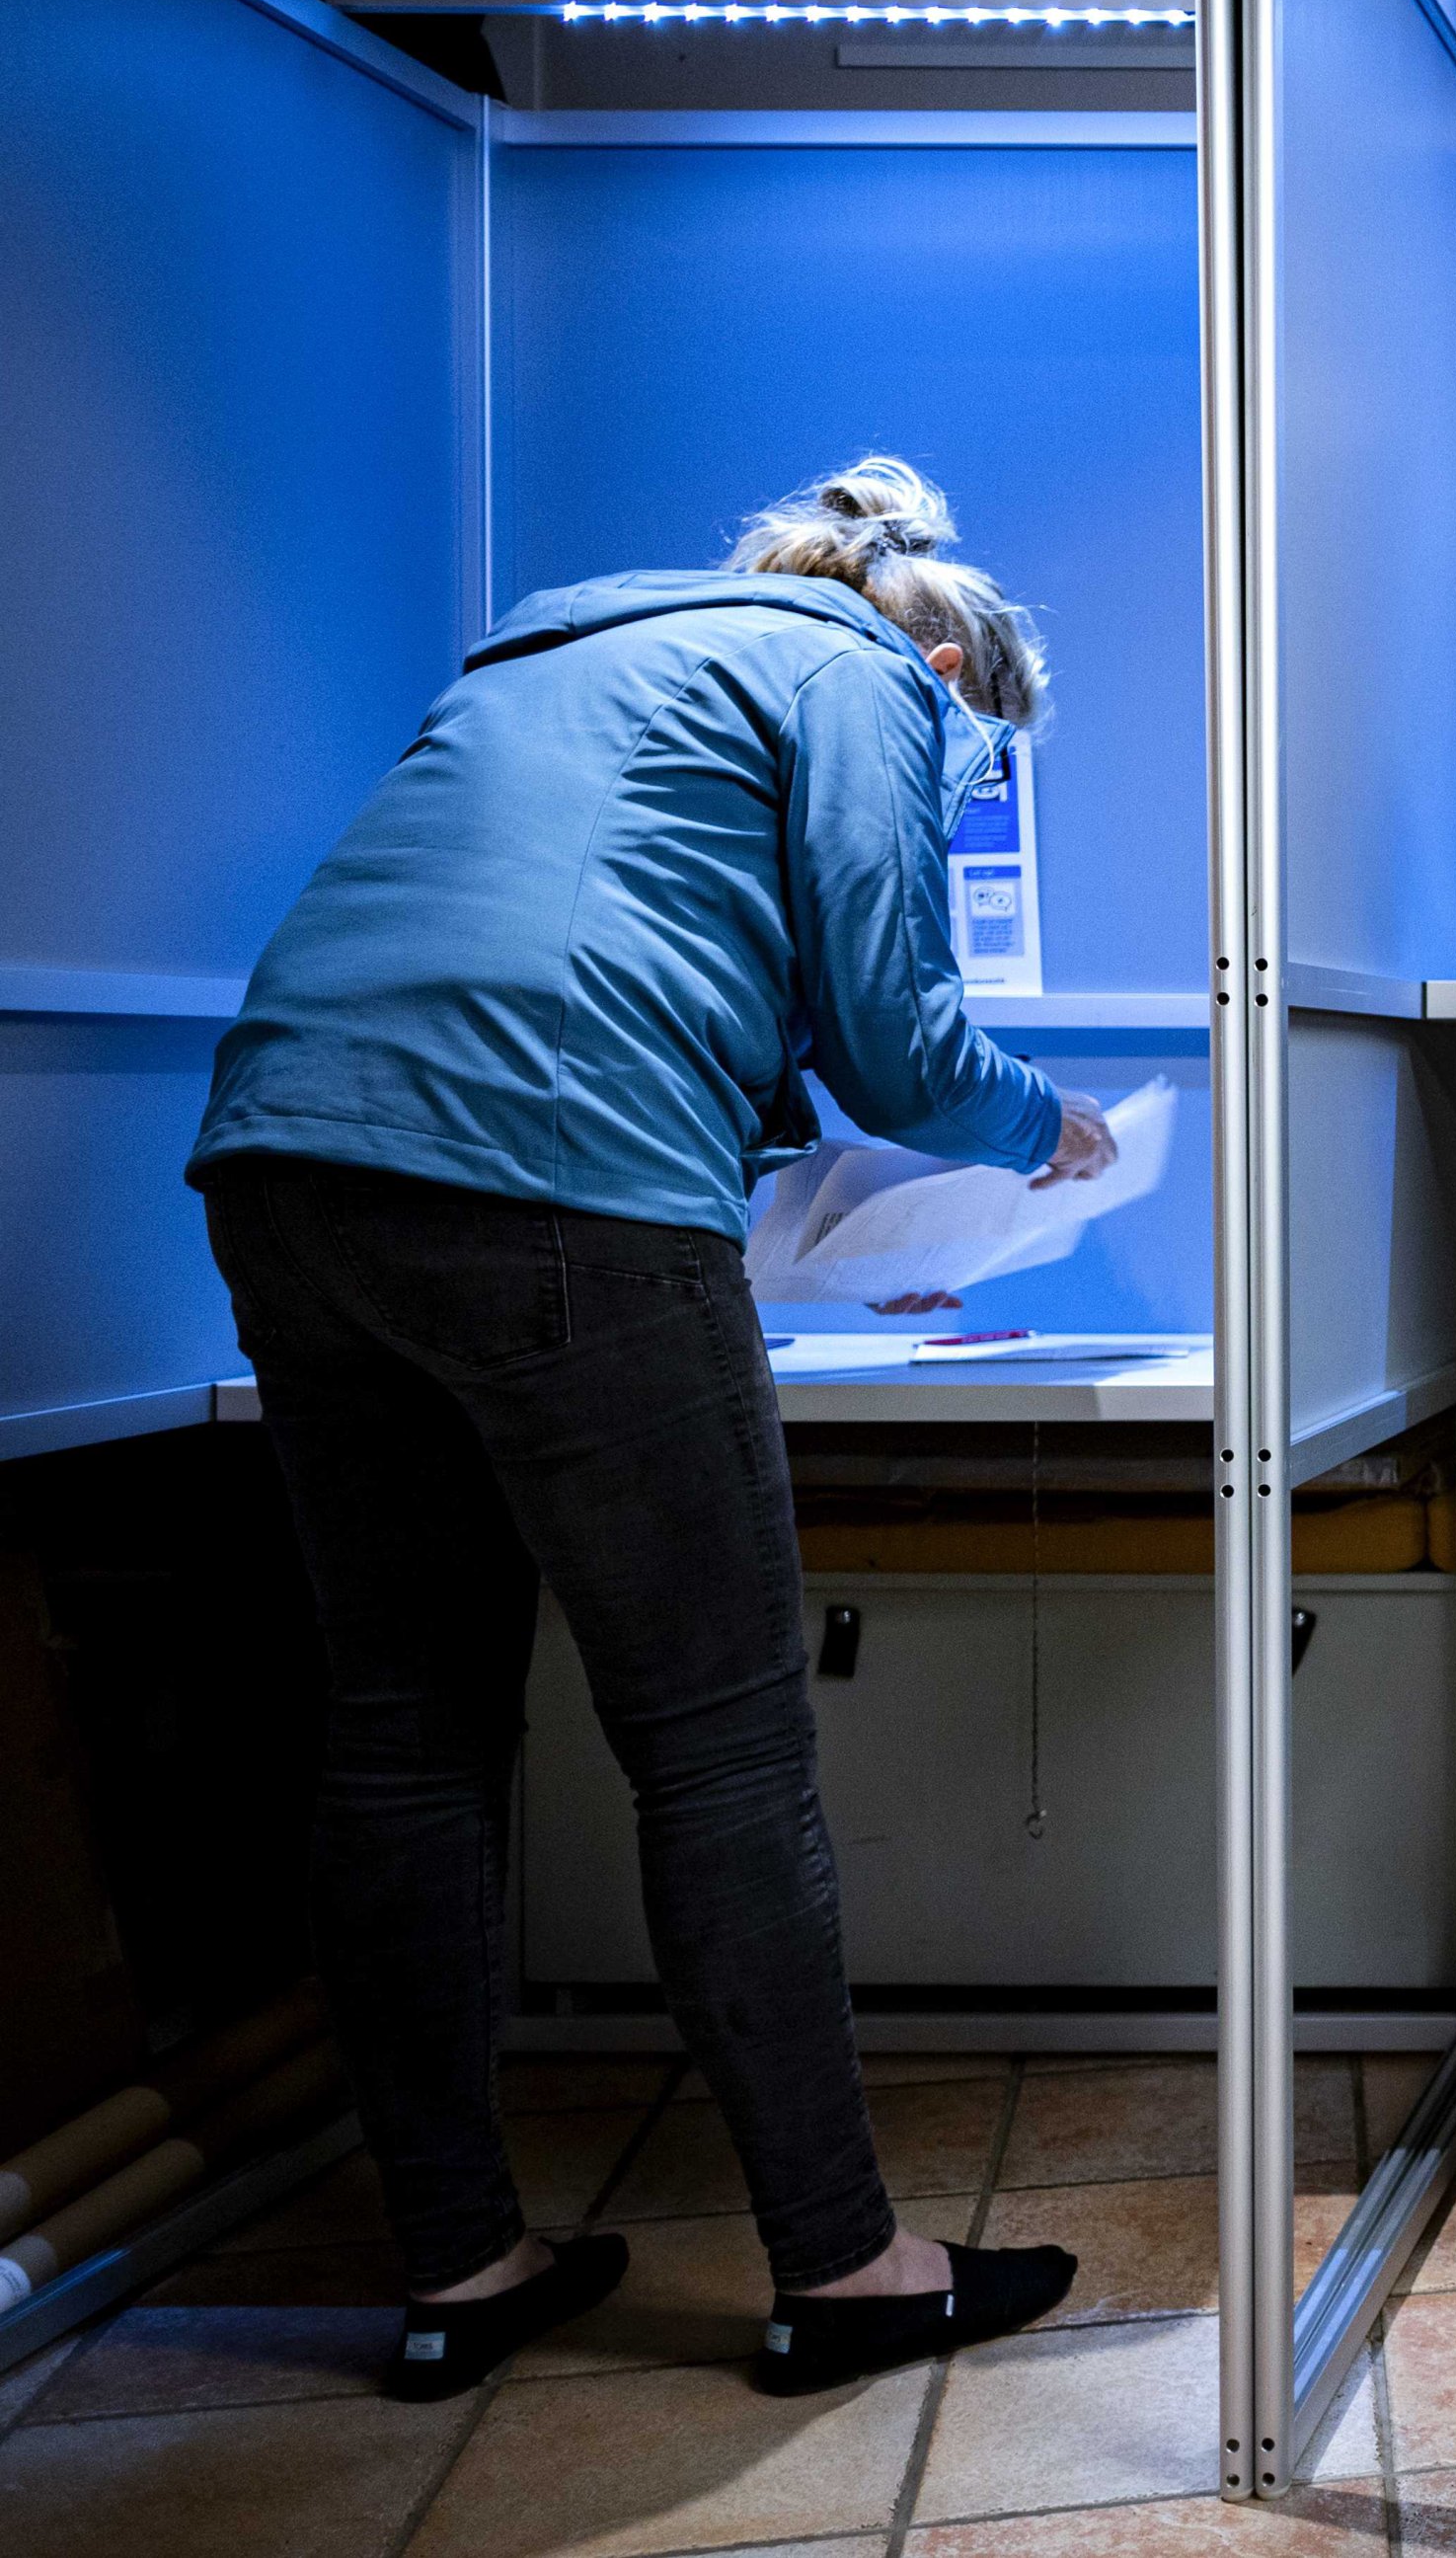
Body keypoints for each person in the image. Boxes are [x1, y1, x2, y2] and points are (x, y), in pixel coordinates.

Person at [190, 460, 1110, 2401]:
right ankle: (844, 2266)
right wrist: (1047, 1134)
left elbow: (569, 979)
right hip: (563, 1189)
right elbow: (895, 1033)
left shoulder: (560, 658)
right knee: (718, 1743)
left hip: (288, 1163)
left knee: (402, 1726)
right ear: (946, 660)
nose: (965, 786)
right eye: (981, 761)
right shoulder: (864, 674)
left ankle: (461, 2261)